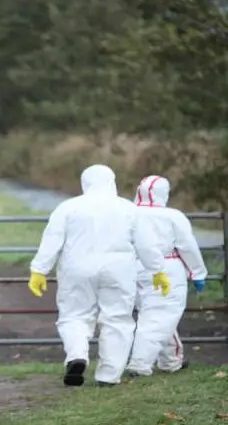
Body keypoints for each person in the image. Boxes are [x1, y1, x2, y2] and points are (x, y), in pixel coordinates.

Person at [27, 164, 170, 387]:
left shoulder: (68, 207)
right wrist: (158, 271)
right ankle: (108, 376)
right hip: (119, 269)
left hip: (77, 269)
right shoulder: (128, 209)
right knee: (117, 320)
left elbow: (52, 240)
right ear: (112, 182)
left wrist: (39, 270)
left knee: (74, 315)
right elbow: (146, 244)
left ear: (85, 183)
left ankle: (77, 355)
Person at [126, 175, 207, 376]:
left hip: (130, 267)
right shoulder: (172, 216)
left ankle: (171, 361)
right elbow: (187, 246)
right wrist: (197, 272)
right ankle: (140, 364)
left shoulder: (126, 212)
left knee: (158, 316)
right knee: (158, 317)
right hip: (165, 266)